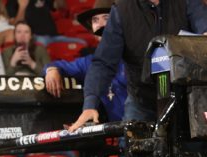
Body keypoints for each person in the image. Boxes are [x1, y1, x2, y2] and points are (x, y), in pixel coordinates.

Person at [68, 0, 207, 130]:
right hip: (142, 100)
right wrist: (90, 105)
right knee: (135, 150)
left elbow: (203, 29)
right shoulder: (122, 10)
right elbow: (104, 62)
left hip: (187, 98)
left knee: (194, 152)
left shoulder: (187, 2)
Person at [43, 0, 126, 122]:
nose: (100, 25)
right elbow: (59, 65)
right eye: (95, 20)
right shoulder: (89, 62)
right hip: (122, 135)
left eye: (106, 18)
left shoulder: (135, 53)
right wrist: (51, 69)